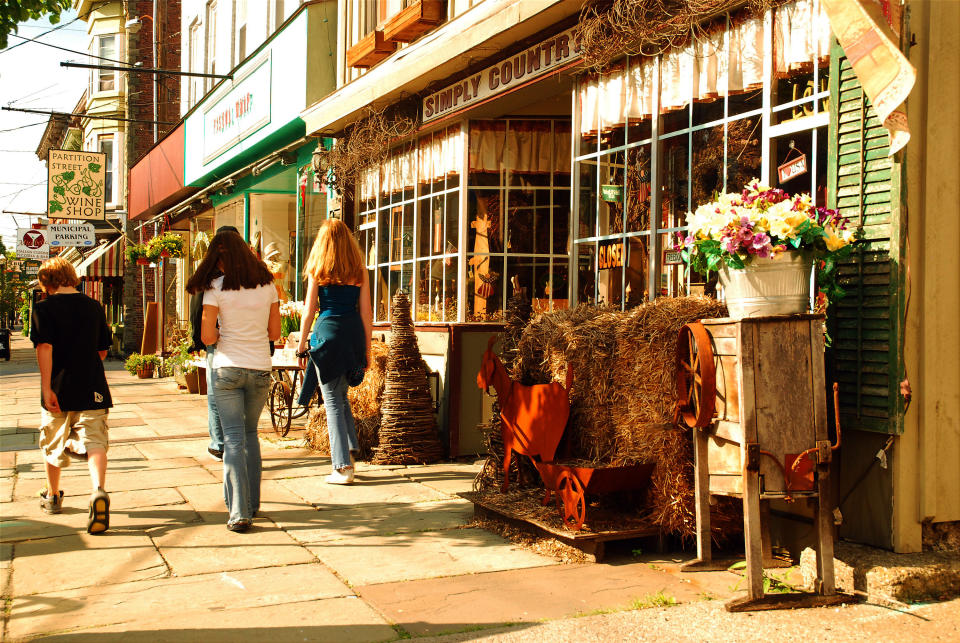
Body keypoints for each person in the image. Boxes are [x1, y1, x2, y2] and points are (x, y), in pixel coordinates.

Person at [194, 229, 280, 532]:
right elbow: (274, 334)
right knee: (250, 435)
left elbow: (207, 337)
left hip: (227, 368)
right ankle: (253, 503)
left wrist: (222, 331)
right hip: (259, 368)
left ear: (221, 258)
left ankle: (239, 512)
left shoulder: (215, 288)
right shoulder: (268, 285)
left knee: (232, 439)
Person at [30, 256, 113, 534]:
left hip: (59, 386)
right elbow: (102, 351)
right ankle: (98, 491)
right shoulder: (94, 307)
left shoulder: (43, 308)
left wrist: (46, 388)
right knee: (95, 441)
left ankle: (53, 495)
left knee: (52, 441)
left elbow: (45, 348)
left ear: (47, 282)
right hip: (92, 384)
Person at [296, 219, 372, 485]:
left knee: (331, 402)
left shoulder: (319, 269)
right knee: (340, 398)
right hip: (352, 336)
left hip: (326, 334)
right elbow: (366, 314)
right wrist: (367, 350)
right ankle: (351, 450)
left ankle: (341, 467)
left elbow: (308, 311)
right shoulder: (360, 270)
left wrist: (301, 342)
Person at [186, 225, 241, 462]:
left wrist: (195, 339)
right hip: (238, 341)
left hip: (218, 341)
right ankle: (229, 441)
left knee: (217, 394)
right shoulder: (247, 273)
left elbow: (196, 309)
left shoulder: (208, 274)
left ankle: (220, 443)